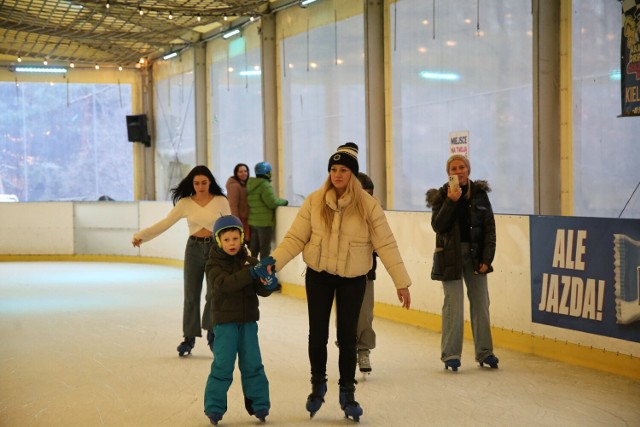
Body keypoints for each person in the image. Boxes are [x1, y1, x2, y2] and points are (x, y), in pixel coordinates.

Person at [263, 142, 412, 422]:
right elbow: (295, 237)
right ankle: (317, 384)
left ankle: (347, 392)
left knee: (347, 337)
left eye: (343, 169)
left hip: (353, 279)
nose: (337, 174)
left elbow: (386, 244)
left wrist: (401, 282)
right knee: (316, 333)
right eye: (333, 169)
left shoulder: (368, 206)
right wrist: (275, 261)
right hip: (319, 275)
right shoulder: (315, 200)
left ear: (353, 174)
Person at [132, 165, 230, 357]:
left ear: (210, 182)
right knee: (191, 295)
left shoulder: (220, 201)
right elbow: (164, 224)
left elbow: (231, 226)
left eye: (204, 182)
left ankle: (213, 334)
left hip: (216, 251)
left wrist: (242, 251)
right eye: (197, 183)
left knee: (214, 294)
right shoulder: (185, 203)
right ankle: (189, 337)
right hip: (193, 249)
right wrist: (142, 236)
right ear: (192, 184)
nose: (200, 186)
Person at [425, 154, 499, 372]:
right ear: (448, 173)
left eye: (462, 167)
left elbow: (489, 229)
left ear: (468, 169)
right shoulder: (440, 195)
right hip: (450, 258)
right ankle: (451, 354)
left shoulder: (480, 195)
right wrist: (451, 201)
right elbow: (438, 226)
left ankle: (485, 352)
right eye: (453, 168)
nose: (458, 171)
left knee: (481, 305)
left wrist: (487, 259)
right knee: (453, 306)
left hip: (476, 257)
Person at [203, 215, 278, 425]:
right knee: (223, 365)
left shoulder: (250, 262)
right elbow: (225, 284)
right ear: (218, 241)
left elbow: (260, 289)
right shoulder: (213, 264)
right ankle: (214, 407)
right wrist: (252, 272)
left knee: (253, 364)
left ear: (242, 238)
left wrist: (268, 282)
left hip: (248, 323)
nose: (232, 243)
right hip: (225, 324)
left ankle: (260, 404)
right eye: (226, 240)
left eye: (235, 238)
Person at [355, 172, 377, 374]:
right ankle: (348, 348)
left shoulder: (375, 214)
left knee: (365, 315)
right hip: (342, 274)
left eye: (370, 194)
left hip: (366, 273)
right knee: (346, 316)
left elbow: (383, 244)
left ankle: (364, 350)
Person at [246, 161, 288, 260]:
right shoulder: (264, 185)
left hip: (253, 221)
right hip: (264, 223)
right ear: (267, 173)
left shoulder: (251, 184)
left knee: (254, 249)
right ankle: (263, 272)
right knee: (265, 250)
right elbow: (272, 202)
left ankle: (252, 271)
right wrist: (284, 202)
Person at [226, 163, 251, 245]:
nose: (244, 173)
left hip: (246, 220)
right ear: (236, 173)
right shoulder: (234, 186)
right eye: (240, 172)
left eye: (245, 171)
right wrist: (236, 222)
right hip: (240, 221)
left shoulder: (244, 184)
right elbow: (233, 205)